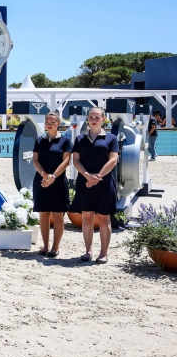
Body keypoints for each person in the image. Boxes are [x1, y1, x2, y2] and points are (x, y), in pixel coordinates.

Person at [69, 107, 119, 264]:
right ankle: (88, 251)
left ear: (103, 119)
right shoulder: (80, 139)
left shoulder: (111, 139)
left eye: (97, 117)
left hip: (104, 184)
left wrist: (97, 176)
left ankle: (103, 253)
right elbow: (76, 160)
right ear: (87, 119)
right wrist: (87, 176)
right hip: (85, 183)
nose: (94, 119)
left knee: (104, 219)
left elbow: (113, 160)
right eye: (91, 117)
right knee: (87, 218)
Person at [31, 111, 72, 257]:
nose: (49, 123)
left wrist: (53, 176)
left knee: (58, 215)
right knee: (44, 215)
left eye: (52, 121)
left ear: (58, 123)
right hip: (41, 180)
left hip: (58, 181)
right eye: (47, 121)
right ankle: (45, 245)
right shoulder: (39, 140)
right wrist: (44, 175)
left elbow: (66, 161)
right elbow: (35, 160)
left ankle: (55, 246)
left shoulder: (65, 140)